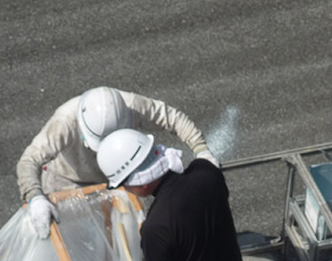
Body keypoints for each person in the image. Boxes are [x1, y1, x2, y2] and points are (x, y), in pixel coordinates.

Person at [16, 86, 219, 238]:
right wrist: (35, 197)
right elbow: (28, 160)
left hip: (118, 179)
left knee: (128, 235)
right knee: (70, 241)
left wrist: (202, 151)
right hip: (67, 180)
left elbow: (173, 118)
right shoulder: (65, 121)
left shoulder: (132, 106)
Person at [96, 128, 244, 261]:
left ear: (142, 184)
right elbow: (206, 167)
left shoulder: (156, 227)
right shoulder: (206, 174)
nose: (125, 189)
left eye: (124, 184)